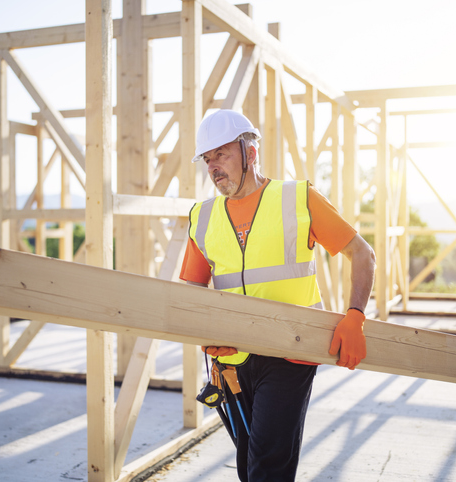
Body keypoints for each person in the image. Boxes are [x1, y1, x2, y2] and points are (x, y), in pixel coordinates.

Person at [180, 109, 376, 482]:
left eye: (221, 154)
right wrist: (203, 335)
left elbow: (362, 254)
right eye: (207, 159)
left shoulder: (298, 198)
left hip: (290, 354)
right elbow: (192, 291)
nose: (213, 167)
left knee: (267, 468)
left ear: (249, 153)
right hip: (231, 362)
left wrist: (355, 316)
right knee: (248, 465)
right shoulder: (202, 217)